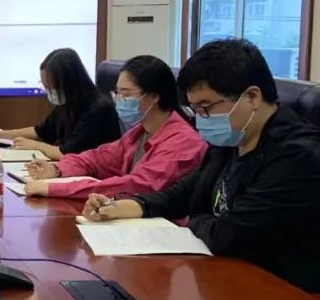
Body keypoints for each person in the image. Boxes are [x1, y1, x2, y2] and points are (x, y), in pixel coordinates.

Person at [83, 39, 320, 294]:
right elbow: (183, 193)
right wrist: (124, 206)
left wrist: (195, 220)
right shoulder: (233, 139)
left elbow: (229, 235)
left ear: (252, 97)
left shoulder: (299, 157)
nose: (200, 119)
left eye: (206, 108)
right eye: (195, 109)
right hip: (230, 280)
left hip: (289, 297)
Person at [23, 55, 206, 199]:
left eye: (125, 94)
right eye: (117, 93)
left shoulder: (183, 142)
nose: (118, 100)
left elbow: (134, 186)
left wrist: (56, 188)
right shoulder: (140, 132)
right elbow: (95, 158)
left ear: (154, 96)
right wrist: (57, 169)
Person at [0, 48, 120, 160]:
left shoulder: (98, 109)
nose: (48, 92)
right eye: (45, 86)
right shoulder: (68, 104)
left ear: (68, 83)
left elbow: (67, 154)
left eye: (51, 87)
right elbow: (41, 132)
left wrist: (35, 146)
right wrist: (2, 135)